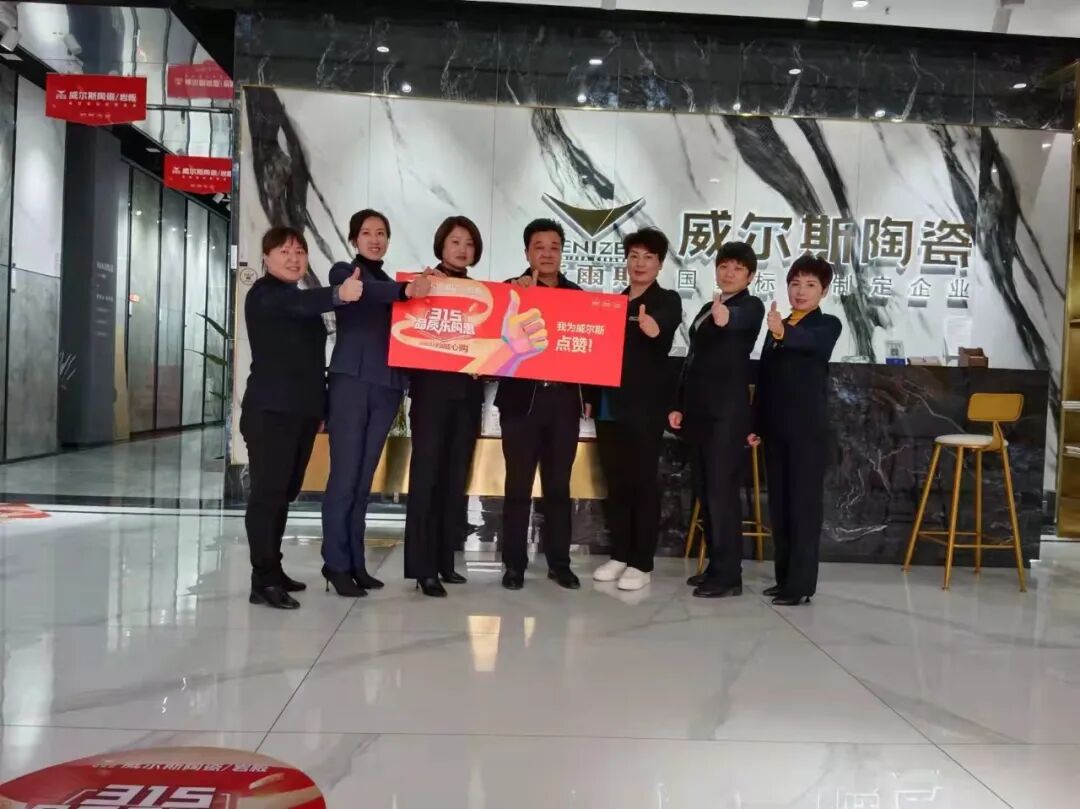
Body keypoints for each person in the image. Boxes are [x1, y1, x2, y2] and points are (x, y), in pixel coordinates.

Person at [241, 226, 365, 610]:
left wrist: (320, 409)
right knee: (268, 496)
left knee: (283, 494)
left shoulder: (297, 299)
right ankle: (262, 579)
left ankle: (273, 569)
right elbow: (297, 304)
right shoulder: (264, 295)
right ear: (266, 257)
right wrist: (338, 294)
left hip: (301, 413)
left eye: (299, 252)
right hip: (270, 413)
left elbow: (312, 362)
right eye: (284, 252)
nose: (294, 259)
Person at [321, 209, 431, 597]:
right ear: (354, 239)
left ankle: (355, 561)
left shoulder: (392, 282)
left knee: (363, 481)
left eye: (381, 232)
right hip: (351, 382)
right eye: (366, 232)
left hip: (386, 387)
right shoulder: (345, 272)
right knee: (344, 478)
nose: (374, 239)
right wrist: (408, 290)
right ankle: (335, 563)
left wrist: (426, 287)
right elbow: (364, 292)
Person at [496, 218, 592, 591]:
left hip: (562, 403)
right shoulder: (511, 291)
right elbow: (497, 343)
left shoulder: (577, 296)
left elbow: (589, 351)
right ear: (527, 253)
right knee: (518, 487)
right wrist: (522, 295)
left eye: (554, 247)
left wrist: (588, 397)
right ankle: (514, 565)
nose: (547, 254)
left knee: (558, 487)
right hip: (521, 404)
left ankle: (559, 564)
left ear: (562, 253)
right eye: (539, 247)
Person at [669, 241, 764, 599]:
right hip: (698, 412)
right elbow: (692, 358)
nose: (729, 273)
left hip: (726, 415)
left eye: (738, 268)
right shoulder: (708, 307)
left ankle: (729, 576)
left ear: (750, 276)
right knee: (705, 491)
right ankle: (715, 566)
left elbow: (739, 322)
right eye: (724, 266)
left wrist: (727, 318)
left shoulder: (750, 306)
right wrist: (679, 403)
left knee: (721, 493)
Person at [748, 255, 842, 606]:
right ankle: (784, 578)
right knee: (780, 505)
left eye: (810, 285)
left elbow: (811, 345)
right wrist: (756, 423)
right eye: (795, 283)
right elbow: (765, 378)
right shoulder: (780, 323)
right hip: (775, 429)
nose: (801, 291)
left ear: (824, 291)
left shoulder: (826, 325)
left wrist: (782, 332)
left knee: (803, 507)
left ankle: (800, 584)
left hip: (806, 431)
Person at [592, 228, 682, 590]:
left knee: (642, 482)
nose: (640, 263)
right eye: (634, 256)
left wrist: (651, 326)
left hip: (643, 407)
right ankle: (619, 554)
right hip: (608, 404)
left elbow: (663, 329)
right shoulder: (613, 303)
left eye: (648, 257)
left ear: (659, 264)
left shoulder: (667, 300)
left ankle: (641, 562)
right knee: (615, 482)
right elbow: (598, 352)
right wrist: (589, 395)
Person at [404, 216, 487, 597]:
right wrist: (417, 293)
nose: (462, 249)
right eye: (455, 241)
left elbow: (490, 346)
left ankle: (444, 560)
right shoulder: (424, 284)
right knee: (427, 479)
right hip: (431, 396)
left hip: (467, 398)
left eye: (469, 243)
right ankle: (423, 569)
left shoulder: (481, 294)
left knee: (455, 480)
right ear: (441, 245)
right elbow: (407, 336)